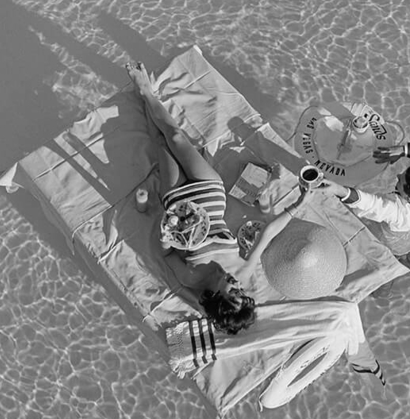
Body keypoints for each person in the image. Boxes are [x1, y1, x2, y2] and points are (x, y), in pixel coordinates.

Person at [127, 62, 316, 334]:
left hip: (178, 204)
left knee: (160, 145)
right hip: (210, 191)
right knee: (177, 138)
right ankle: (146, 92)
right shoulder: (242, 272)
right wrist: (298, 205)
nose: (236, 284)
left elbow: (166, 252)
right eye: (241, 290)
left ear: (218, 298)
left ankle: (144, 97)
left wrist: (166, 234)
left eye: (232, 292)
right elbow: (267, 234)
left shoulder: (190, 277)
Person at [318, 141, 410, 273]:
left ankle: (385, 289)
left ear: (408, 198)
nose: (398, 175)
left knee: (392, 262)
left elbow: (371, 204)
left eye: (400, 180)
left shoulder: (398, 212)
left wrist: (339, 190)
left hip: (397, 242)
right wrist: (402, 150)